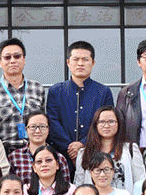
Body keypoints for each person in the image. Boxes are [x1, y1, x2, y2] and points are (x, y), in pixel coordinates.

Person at [46, 41, 114, 172]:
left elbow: (106, 123)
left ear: (93, 63)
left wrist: (83, 144)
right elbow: (52, 122)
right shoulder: (55, 91)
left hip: (94, 155)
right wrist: (70, 148)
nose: (80, 63)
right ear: (68, 62)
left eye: (85, 59)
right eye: (76, 59)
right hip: (61, 156)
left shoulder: (103, 92)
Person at [0, 38, 47, 155]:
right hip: (2, 152)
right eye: (7, 57)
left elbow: (44, 122)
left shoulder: (37, 88)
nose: (12, 61)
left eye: (17, 56)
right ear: (0, 62)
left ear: (24, 59)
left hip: (33, 152)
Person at [75, 106, 144, 192]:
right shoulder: (84, 153)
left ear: (119, 123)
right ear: (95, 125)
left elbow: (140, 183)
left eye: (111, 121)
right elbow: (79, 184)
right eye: (102, 122)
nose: (106, 126)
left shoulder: (131, 149)